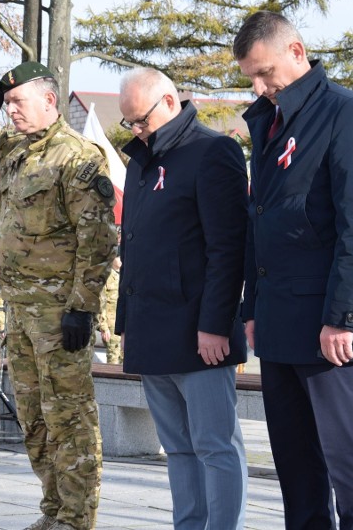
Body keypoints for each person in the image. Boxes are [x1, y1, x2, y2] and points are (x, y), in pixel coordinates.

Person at [234, 11, 353, 529]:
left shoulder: (346, 113)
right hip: (277, 321)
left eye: (265, 73)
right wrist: (252, 308)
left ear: (296, 52)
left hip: (328, 326)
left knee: (345, 464)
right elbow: (261, 224)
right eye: (251, 78)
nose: (259, 87)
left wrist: (342, 316)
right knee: (295, 469)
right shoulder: (269, 122)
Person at [0, 61, 118, 530]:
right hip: (20, 310)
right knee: (34, 417)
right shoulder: (16, 149)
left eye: (17, 102)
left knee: (68, 416)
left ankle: (77, 518)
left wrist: (81, 308)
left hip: (59, 313)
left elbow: (98, 239)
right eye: (7, 104)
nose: (11, 111)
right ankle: (52, 510)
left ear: (50, 102)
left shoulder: (77, 156)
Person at [116, 67, 249, 529]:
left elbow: (228, 248)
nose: (135, 130)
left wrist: (215, 323)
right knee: (177, 448)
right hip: (152, 329)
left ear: (169, 102)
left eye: (140, 120)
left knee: (215, 445)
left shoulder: (213, 151)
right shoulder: (139, 162)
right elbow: (130, 245)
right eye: (128, 123)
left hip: (200, 334)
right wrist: (127, 321)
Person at [96, 256, 122, 364]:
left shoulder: (124, 275)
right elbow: (100, 302)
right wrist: (103, 327)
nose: (121, 260)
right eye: (118, 257)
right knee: (113, 358)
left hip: (123, 324)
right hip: (111, 325)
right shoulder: (107, 275)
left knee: (124, 358)